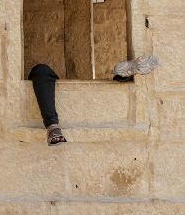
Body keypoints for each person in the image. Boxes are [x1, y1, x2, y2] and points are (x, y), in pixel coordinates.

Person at [29, 54, 159, 146]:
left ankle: (121, 76)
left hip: (94, 96)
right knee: (40, 70)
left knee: (41, 70)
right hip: (46, 80)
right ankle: (121, 76)